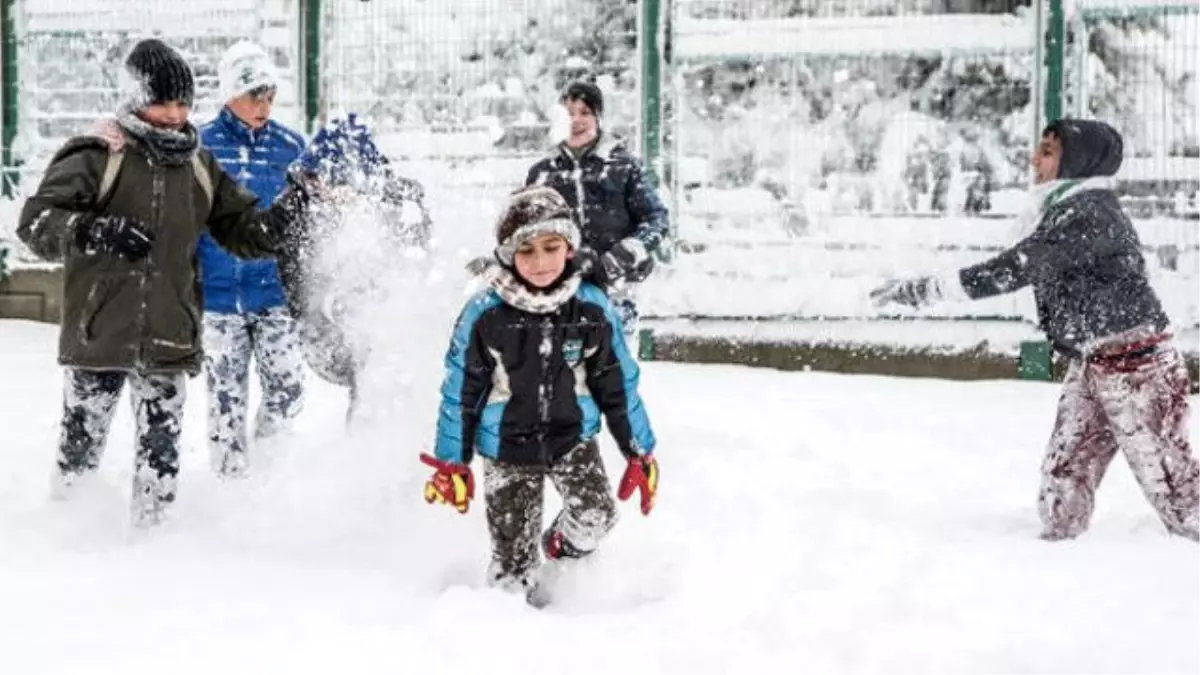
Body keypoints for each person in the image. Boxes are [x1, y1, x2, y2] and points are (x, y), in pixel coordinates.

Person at [17, 38, 309, 526]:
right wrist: (93, 230)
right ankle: (66, 542)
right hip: (100, 332)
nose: (175, 115)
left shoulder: (197, 163)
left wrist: (283, 217)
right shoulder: (97, 154)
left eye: (183, 103)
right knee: (80, 449)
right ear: (135, 99)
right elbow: (36, 222)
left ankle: (153, 550)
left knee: (160, 458)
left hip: (169, 334)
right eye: (162, 102)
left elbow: (242, 230)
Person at [870, 118, 1200, 542]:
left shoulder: (1092, 214)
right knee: (1064, 476)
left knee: (1174, 490)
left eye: (1048, 151)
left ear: (1076, 162)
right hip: (1094, 360)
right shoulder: (1063, 209)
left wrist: (928, 289)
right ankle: (1052, 557)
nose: (1035, 159)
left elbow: (1016, 268)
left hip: (1137, 367)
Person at [419, 185, 659, 605]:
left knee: (596, 515)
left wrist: (639, 449)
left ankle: (560, 554)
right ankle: (510, 626)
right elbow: (460, 391)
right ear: (508, 256)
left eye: (551, 247)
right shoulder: (485, 313)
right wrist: (452, 461)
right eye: (526, 251)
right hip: (506, 447)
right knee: (513, 571)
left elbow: (618, 383)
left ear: (569, 247)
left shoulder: (590, 307)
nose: (541, 261)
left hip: (572, 438)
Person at [275, 113, 432, 423]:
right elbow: (291, 274)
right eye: (324, 182)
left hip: (380, 318)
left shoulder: (398, 206)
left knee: (377, 370)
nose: (335, 194)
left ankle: (374, 433)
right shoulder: (296, 208)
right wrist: (316, 312)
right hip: (323, 326)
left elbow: (418, 262)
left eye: (346, 185)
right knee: (363, 366)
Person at [197, 40, 308, 478]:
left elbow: (305, 221)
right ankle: (230, 486)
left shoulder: (290, 147)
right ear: (229, 94)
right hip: (218, 298)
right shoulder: (200, 147)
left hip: (274, 295)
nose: (263, 103)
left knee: (288, 387)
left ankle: (268, 470)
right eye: (252, 94)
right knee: (225, 398)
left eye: (269, 93)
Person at [522, 80, 670, 334]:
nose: (576, 121)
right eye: (569, 113)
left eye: (585, 112)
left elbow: (656, 218)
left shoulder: (623, 166)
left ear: (598, 117)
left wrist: (623, 255)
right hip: (563, 286)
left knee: (613, 359)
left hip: (618, 285)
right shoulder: (543, 174)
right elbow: (525, 229)